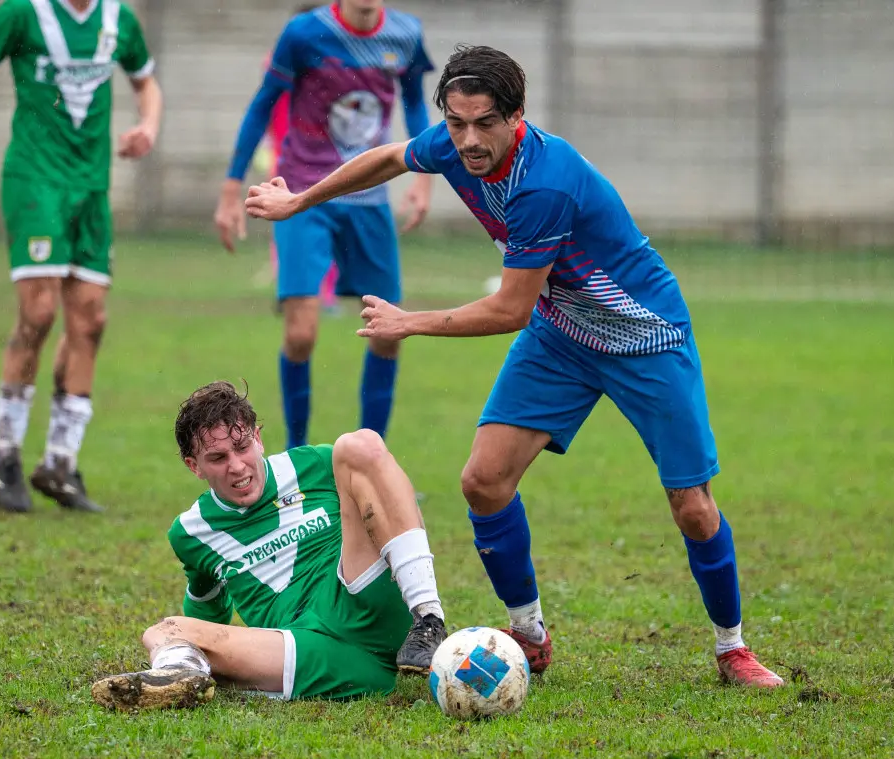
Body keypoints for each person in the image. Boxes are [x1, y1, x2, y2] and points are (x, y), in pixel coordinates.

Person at [245, 45, 785, 688]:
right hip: (563, 332)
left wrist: (407, 321)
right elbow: (390, 157)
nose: (467, 141)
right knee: (484, 481)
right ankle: (527, 634)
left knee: (692, 507)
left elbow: (509, 308)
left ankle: (733, 650)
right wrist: (300, 200)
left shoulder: (544, 183)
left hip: (645, 337)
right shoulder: (454, 142)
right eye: (455, 122)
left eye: (483, 124)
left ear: (517, 116)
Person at [91, 381, 449, 711]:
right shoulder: (189, 533)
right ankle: (182, 677)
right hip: (307, 649)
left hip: (366, 604)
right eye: (217, 458)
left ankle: (429, 620)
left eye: (243, 447)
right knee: (162, 631)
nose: (236, 466)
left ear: (259, 439)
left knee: (360, 445)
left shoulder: (317, 464)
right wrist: (194, 641)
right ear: (193, 466)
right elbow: (206, 612)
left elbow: (398, 509)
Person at [0, 0, 163, 513]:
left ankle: (61, 463)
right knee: (38, 314)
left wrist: (147, 125)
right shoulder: (22, 13)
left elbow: (146, 81)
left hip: (91, 188)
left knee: (91, 319)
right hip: (35, 180)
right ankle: (6, 458)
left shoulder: (118, 19)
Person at [213, 0, 435, 450]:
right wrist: (231, 187)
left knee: (389, 332)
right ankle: (297, 458)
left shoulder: (406, 34)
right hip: (302, 197)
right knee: (300, 333)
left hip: (369, 197)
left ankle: (374, 457)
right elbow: (262, 106)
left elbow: (414, 104)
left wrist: (424, 180)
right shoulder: (304, 34)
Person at [252, 3, 340, 315]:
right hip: (289, 156)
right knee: (288, 222)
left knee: (323, 223)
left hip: (324, 158)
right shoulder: (282, 62)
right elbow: (266, 106)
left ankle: (319, 293)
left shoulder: (332, 65)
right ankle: (295, 290)